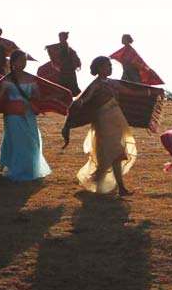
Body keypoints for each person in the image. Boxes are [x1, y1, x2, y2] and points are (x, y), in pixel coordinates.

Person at [63, 56, 163, 196]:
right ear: (98, 68)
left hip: (117, 120)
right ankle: (120, 187)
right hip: (104, 121)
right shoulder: (96, 84)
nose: (110, 68)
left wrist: (151, 92)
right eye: (107, 66)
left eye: (110, 65)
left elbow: (131, 93)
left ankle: (98, 180)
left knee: (110, 154)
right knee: (115, 154)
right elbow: (86, 97)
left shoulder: (113, 83)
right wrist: (80, 102)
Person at [0, 50, 53, 181]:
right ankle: (16, 170)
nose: (23, 63)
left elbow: (37, 96)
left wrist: (36, 93)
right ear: (13, 62)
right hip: (13, 115)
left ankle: (29, 169)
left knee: (31, 142)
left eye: (25, 60)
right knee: (17, 142)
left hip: (28, 114)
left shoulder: (31, 78)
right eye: (21, 60)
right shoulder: (7, 79)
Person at [41, 31, 82, 96]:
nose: (60, 38)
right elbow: (53, 47)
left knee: (71, 86)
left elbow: (75, 58)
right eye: (59, 37)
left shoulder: (69, 48)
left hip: (69, 69)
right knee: (62, 86)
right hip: (63, 69)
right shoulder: (60, 46)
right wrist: (48, 47)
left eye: (61, 37)